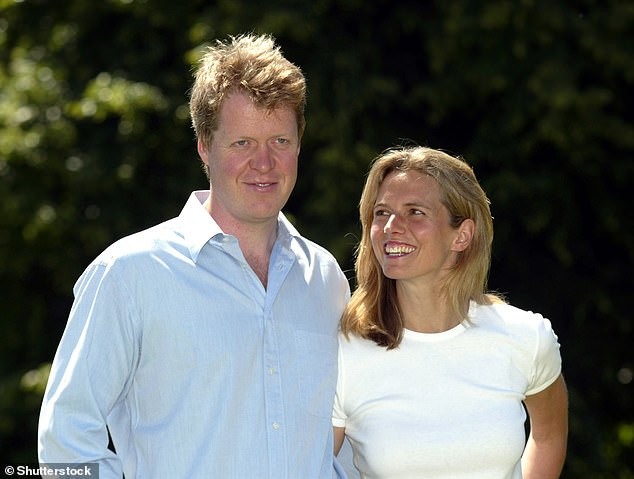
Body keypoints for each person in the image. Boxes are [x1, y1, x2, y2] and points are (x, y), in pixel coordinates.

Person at [38, 33, 350, 479]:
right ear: (205, 145)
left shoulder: (326, 280)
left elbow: (341, 440)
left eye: (279, 141)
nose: (264, 163)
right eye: (242, 143)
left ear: (299, 143)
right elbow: (64, 443)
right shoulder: (130, 274)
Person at [332, 146, 568, 479]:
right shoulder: (343, 352)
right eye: (382, 212)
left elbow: (549, 435)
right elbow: (308, 465)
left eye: (415, 212)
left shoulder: (525, 338)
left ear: (462, 235)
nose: (390, 227)